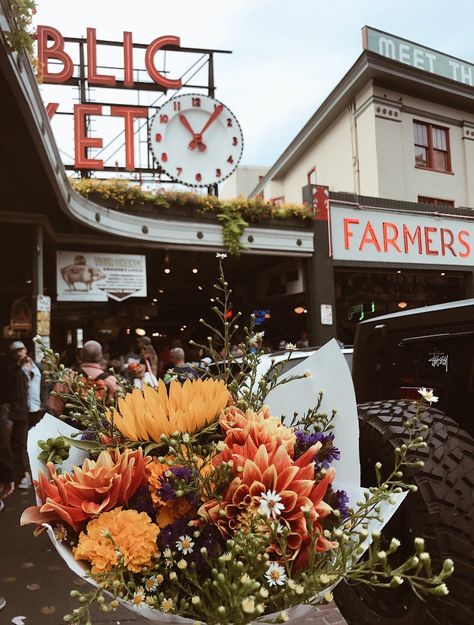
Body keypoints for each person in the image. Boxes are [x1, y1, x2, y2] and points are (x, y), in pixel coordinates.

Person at [7, 340, 46, 489]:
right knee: (23, 444)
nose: (18, 353)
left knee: (38, 441)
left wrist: (44, 402)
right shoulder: (13, 369)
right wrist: (19, 366)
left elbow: (44, 385)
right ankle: (26, 475)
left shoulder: (37, 366)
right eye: (15, 351)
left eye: (20, 350)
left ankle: (40, 474)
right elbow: (9, 385)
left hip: (38, 409)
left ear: (26, 350)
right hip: (21, 411)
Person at [47, 340, 120, 417]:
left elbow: (54, 408)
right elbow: (119, 410)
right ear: (101, 356)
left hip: (71, 427)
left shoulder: (68, 377)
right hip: (103, 427)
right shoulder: (111, 381)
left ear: (81, 355)